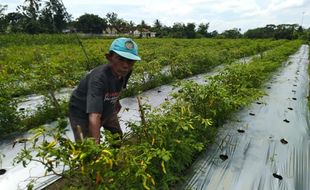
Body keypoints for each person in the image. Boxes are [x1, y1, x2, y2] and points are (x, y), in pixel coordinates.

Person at [68, 37, 141, 144]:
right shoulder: (98, 79)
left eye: (130, 61)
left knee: (117, 137)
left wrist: (116, 101)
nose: (126, 65)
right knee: (87, 146)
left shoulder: (126, 71)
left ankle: (115, 158)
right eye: (120, 59)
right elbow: (94, 115)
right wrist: (96, 147)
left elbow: (119, 86)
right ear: (109, 58)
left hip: (107, 105)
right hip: (82, 111)